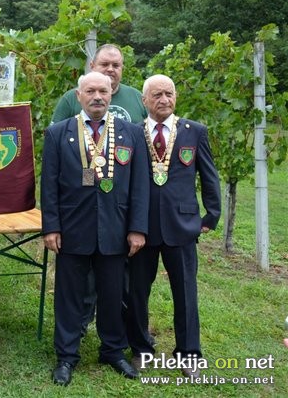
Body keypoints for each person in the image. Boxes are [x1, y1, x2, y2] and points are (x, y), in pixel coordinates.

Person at [41, 71, 150, 385]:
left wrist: (137, 228)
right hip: (73, 228)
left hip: (116, 229)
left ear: (111, 93)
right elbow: (49, 186)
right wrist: (52, 227)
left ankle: (113, 351)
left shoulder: (131, 134)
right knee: (69, 296)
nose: (98, 97)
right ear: (79, 96)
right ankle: (66, 355)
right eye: (90, 91)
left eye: (103, 90)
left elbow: (140, 186)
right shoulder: (59, 133)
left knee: (113, 294)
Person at [127, 74, 221, 379]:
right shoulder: (132, 132)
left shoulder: (195, 132)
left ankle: (189, 354)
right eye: (156, 95)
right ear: (144, 101)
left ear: (176, 97)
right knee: (137, 291)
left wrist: (211, 216)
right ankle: (141, 349)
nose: (164, 100)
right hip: (141, 227)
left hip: (182, 226)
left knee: (185, 292)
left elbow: (209, 176)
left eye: (169, 94)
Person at [50, 43, 148, 125]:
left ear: (122, 68)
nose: (110, 69)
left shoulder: (137, 97)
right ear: (92, 66)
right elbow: (54, 135)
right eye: (104, 64)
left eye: (116, 65)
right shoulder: (71, 98)